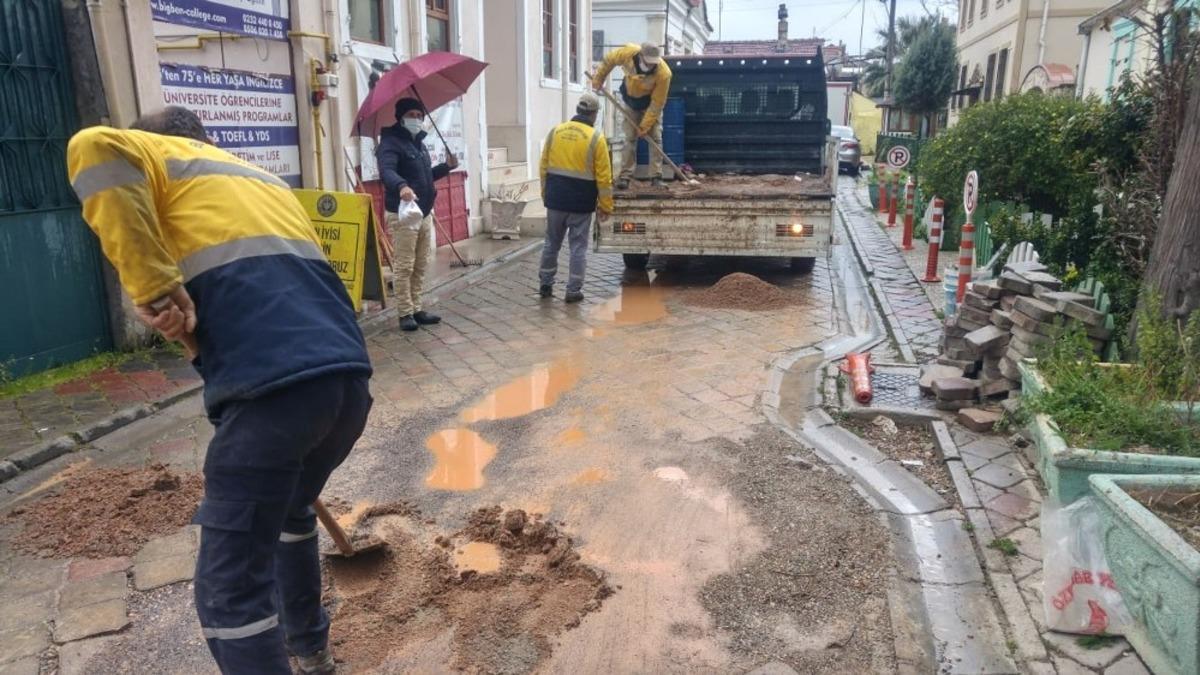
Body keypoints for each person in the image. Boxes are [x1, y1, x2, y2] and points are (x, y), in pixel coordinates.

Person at [66, 106, 373, 675]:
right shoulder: (261, 182)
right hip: (348, 386)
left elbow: (93, 145)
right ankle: (312, 652)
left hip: (273, 396)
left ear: (152, 144)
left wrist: (154, 285)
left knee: (231, 591)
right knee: (289, 516)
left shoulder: (155, 157)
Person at [376, 98, 458, 332]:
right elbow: (387, 171)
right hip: (403, 214)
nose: (416, 119)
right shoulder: (390, 143)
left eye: (419, 115)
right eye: (411, 114)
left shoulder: (419, 145)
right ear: (401, 117)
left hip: (423, 212)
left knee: (421, 263)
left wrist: (446, 167)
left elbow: (425, 177)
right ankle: (404, 312)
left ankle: (417, 308)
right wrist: (402, 186)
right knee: (404, 265)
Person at [537, 93, 614, 303]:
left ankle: (545, 283)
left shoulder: (556, 131)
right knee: (578, 247)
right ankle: (573, 290)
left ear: (578, 110)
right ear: (594, 114)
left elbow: (543, 167)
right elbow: (604, 177)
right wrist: (606, 206)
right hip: (581, 203)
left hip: (556, 199)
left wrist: (546, 194)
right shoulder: (596, 138)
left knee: (551, 243)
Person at [591, 42, 673, 190]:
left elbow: (657, 103)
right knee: (629, 138)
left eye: (654, 63)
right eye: (648, 63)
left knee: (655, 138)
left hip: (650, 104)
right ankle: (625, 177)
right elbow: (609, 60)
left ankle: (656, 176)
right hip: (630, 101)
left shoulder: (664, 74)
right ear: (641, 56)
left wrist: (645, 125)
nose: (651, 66)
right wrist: (599, 78)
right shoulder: (628, 53)